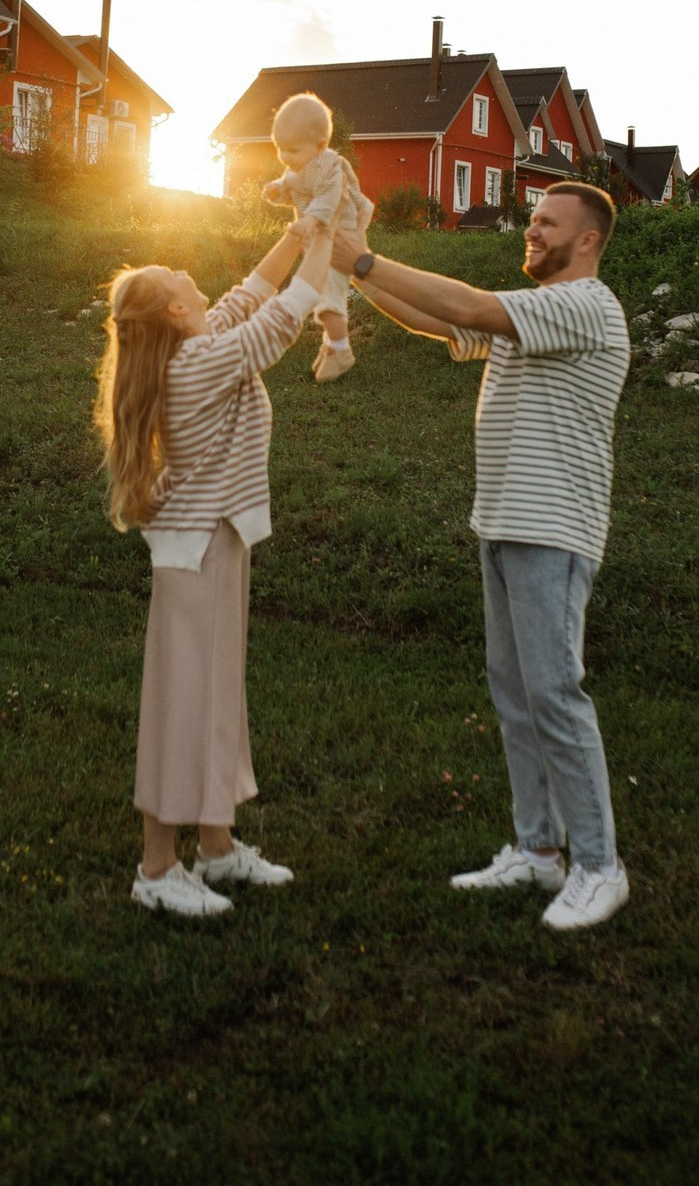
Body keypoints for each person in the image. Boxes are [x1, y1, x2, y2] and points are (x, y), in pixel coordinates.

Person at [332, 182, 632, 930]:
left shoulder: (586, 307)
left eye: (547, 224)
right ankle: (537, 852)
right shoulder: (531, 316)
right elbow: (437, 320)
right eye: (530, 220)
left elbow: (465, 305)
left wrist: (362, 259)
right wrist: (348, 272)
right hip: (504, 524)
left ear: (588, 240)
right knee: (517, 697)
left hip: (552, 531)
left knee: (555, 694)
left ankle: (600, 866)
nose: (531, 231)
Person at [95, 216, 337, 918]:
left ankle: (218, 849)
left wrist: (300, 232)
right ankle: (157, 867)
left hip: (214, 542)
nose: (192, 279)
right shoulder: (199, 363)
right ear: (175, 310)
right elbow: (282, 318)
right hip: (195, 552)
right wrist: (330, 234)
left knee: (217, 694)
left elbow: (250, 294)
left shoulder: (197, 343)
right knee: (183, 706)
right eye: (179, 279)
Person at [262, 91, 373, 382]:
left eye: (292, 150)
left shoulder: (329, 168)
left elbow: (328, 198)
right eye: (280, 149)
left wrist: (311, 219)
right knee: (319, 290)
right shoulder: (299, 165)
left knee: (329, 295)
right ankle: (330, 345)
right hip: (320, 237)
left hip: (340, 238)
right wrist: (277, 192)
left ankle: (341, 349)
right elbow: (293, 188)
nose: (285, 157)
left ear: (320, 145)